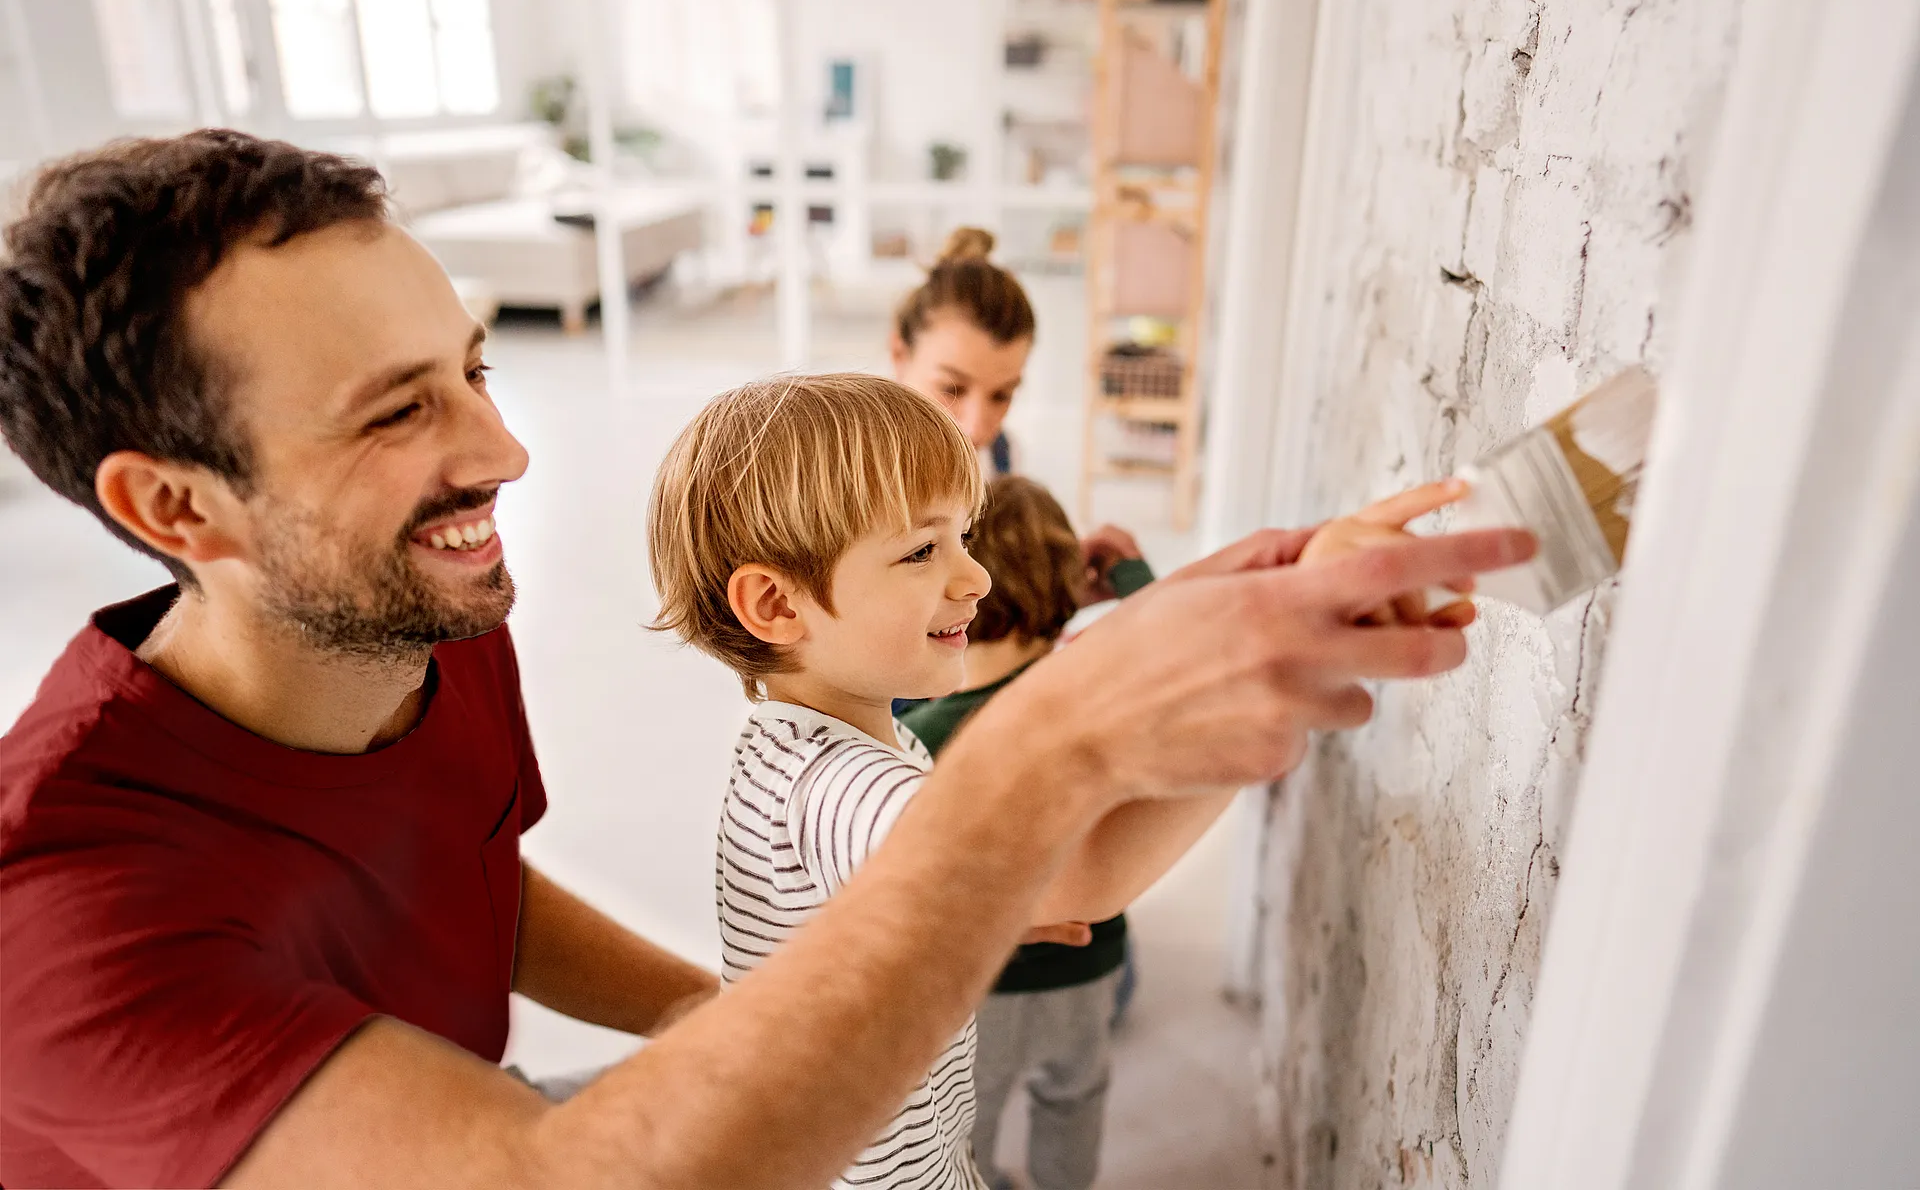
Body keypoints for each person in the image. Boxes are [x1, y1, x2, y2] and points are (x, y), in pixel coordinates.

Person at [0, 130, 1533, 1190]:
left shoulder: (414, 626)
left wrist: (698, 1014)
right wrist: (1066, 739)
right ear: (173, 506)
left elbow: (454, 871)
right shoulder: (61, 923)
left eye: (475, 368)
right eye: (398, 411)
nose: (508, 449)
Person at [646, 375, 1238, 1190]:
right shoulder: (842, 787)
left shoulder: (816, 744)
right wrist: (1241, 729)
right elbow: (1086, 874)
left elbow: (861, 909)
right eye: (923, 551)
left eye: (965, 537)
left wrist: (964, 922)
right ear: (778, 606)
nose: (977, 579)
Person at [899, 476, 1131, 1190]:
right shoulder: (1100, 690)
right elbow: (1157, 629)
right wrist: (1128, 576)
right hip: (1091, 964)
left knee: (969, 1127)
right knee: (1075, 1095)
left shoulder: (917, 736)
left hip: (981, 991)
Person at [888, 226, 1142, 604]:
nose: (975, 427)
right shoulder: (856, 473)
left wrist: (1051, 589)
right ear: (899, 356)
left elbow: (983, 596)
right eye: (951, 389)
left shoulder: (1003, 459)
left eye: (1001, 395)